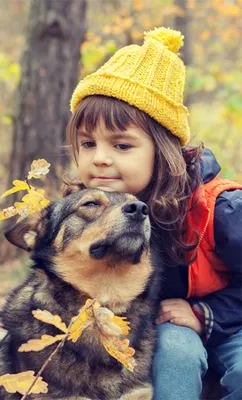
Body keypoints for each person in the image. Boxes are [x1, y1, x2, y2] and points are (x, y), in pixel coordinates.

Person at [63, 27, 242, 400]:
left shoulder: (219, 211)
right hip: (165, 327)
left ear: (163, 151)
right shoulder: (88, 212)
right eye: (87, 143)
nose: (99, 157)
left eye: (122, 145)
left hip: (233, 322)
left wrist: (206, 313)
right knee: (176, 352)